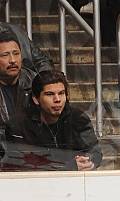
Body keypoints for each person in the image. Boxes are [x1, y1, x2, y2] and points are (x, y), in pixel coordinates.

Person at [5, 70, 102, 171]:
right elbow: (25, 164)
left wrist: (89, 160)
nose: (57, 99)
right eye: (50, 94)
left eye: (61, 93)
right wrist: (69, 167)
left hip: (74, 182)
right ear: (35, 99)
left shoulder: (78, 118)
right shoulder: (18, 125)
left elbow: (95, 151)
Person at [0, 30, 35, 162]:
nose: (13, 60)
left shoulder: (36, 83)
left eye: (16, 54)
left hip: (33, 157)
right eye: (5, 55)